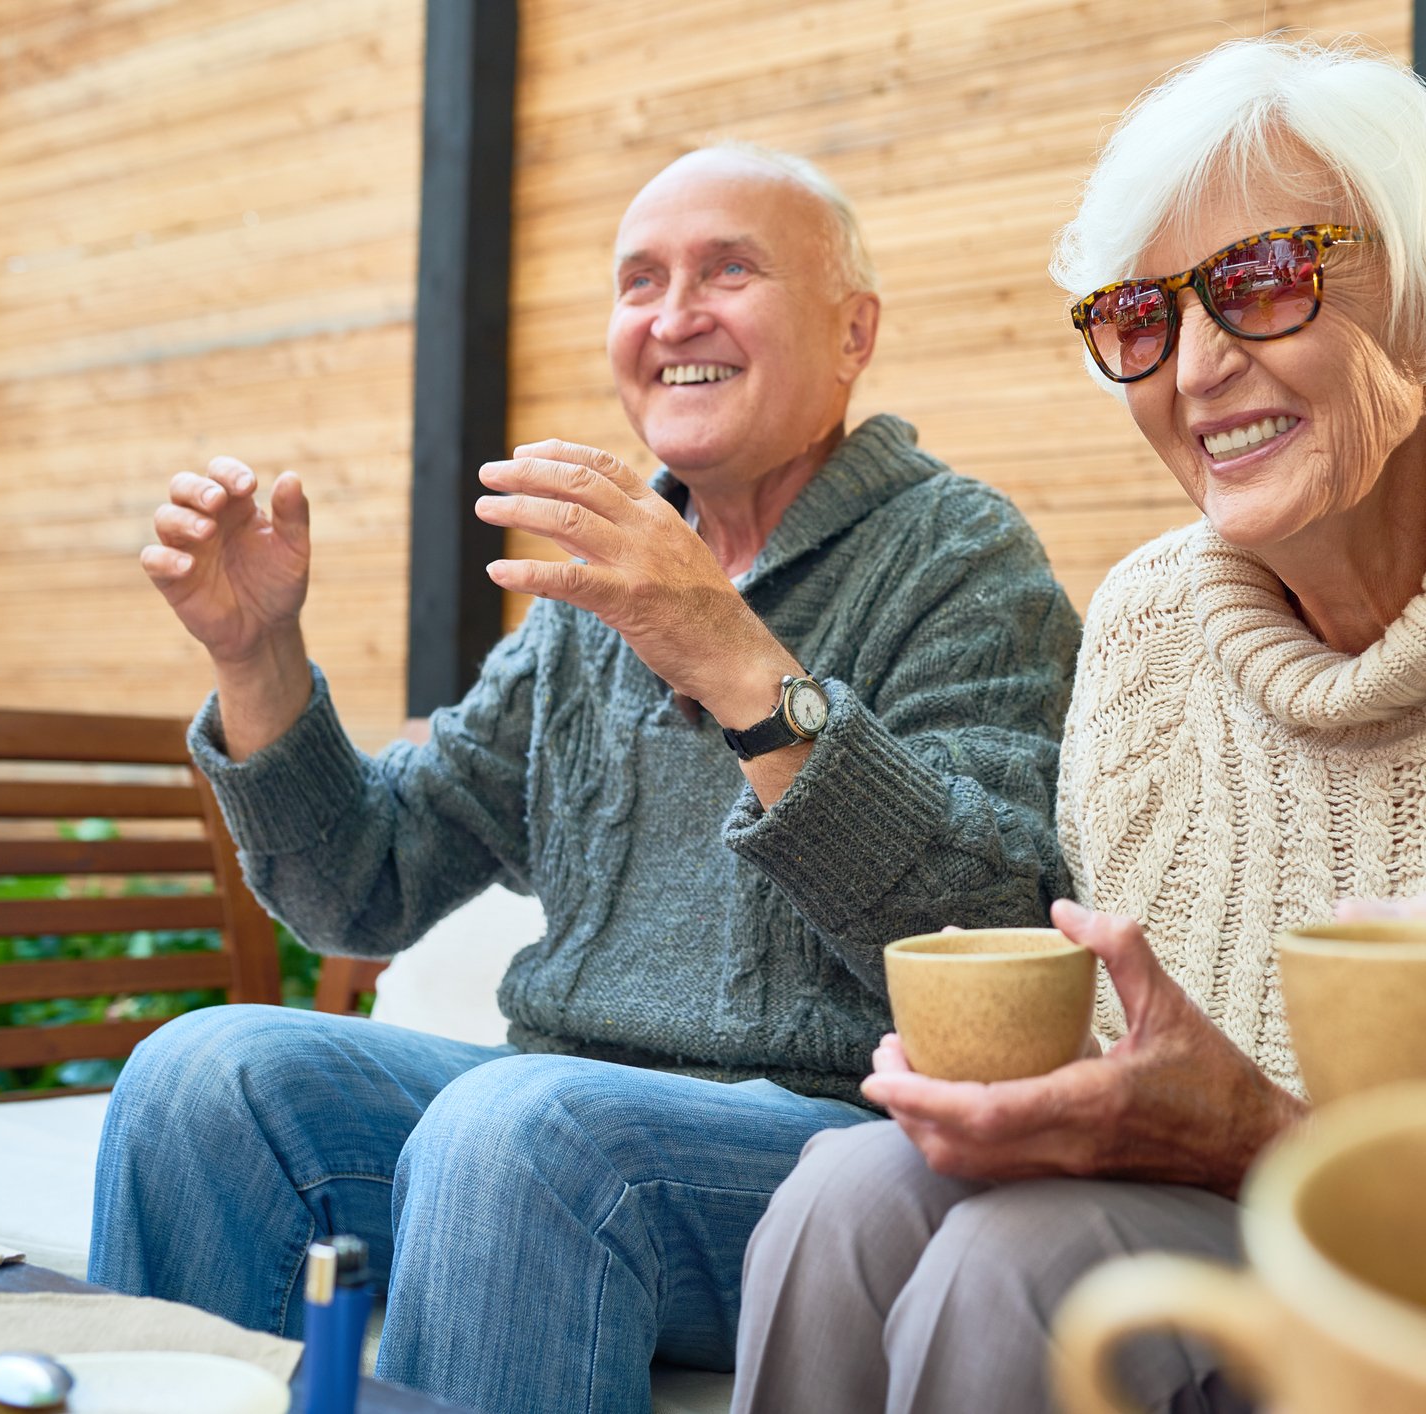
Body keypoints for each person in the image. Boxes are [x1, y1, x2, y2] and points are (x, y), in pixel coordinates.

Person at [731, 38, 1426, 1414]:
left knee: (1027, 1259)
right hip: (1215, 1230)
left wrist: (1250, 1136)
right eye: (1141, 316)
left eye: (1264, 282)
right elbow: (1129, 1070)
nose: (1197, 367)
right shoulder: (1147, 625)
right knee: (844, 1188)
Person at [88, 143, 1080, 1414]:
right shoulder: (587, 605)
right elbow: (368, 885)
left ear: (852, 333)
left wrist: (733, 658)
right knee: (202, 1077)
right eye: (638, 283)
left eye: (729, 269)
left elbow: (993, 926)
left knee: (520, 1132)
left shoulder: (959, 553)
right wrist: (258, 656)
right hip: (552, 1114)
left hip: (833, 1143)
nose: (673, 317)